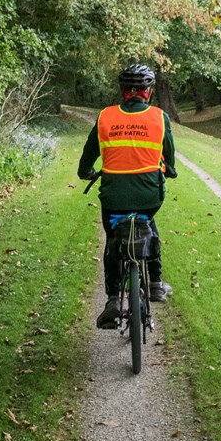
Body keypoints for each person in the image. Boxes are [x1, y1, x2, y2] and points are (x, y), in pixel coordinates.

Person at [78, 63, 178, 329]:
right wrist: (170, 170)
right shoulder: (159, 117)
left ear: (123, 91)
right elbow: (169, 154)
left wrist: (86, 172)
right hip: (150, 195)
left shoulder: (105, 117)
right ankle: (155, 284)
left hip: (113, 197)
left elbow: (89, 155)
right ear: (148, 92)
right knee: (149, 224)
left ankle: (113, 299)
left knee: (113, 239)